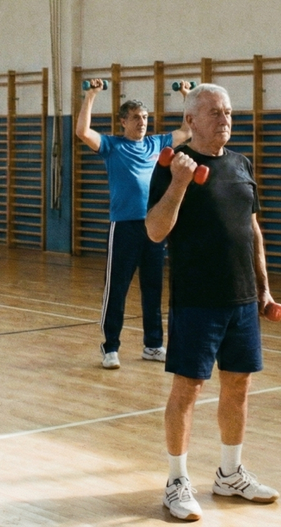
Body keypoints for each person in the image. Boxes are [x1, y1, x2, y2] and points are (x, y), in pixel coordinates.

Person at [146, 83, 279, 521]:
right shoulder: (171, 167)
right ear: (190, 121)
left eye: (228, 112)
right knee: (187, 390)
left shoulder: (241, 163)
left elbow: (253, 230)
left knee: (239, 386)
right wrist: (181, 182)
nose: (225, 119)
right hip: (196, 298)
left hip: (242, 299)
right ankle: (177, 481)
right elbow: (156, 230)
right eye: (214, 113)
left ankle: (229, 473)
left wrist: (263, 288)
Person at [76, 78, 191, 370]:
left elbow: (188, 131)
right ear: (123, 122)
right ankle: (110, 347)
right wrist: (90, 95)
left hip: (153, 226)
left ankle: (153, 345)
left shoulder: (157, 142)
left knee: (153, 288)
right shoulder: (112, 146)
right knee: (117, 288)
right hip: (124, 227)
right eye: (136, 118)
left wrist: (187, 97)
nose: (142, 122)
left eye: (145, 118)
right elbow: (82, 131)